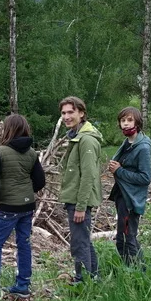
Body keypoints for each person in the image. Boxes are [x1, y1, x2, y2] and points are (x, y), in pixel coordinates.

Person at [0, 113, 46, 301]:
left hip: (8, 207)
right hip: (27, 205)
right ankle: (23, 284)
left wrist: (1, 197)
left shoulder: (1, 152)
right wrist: (26, 191)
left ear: (8, 129)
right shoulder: (32, 153)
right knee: (24, 243)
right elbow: (40, 181)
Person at [58, 96, 104, 283]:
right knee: (83, 239)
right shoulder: (77, 136)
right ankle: (94, 278)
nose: (67, 116)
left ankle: (82, 281)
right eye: (63, 113)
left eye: (71, 112)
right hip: (75, 199)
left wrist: (80, 206)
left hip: (79, 201)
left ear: (81, 113)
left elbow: (88, 175)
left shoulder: (86, 140)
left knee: (79, 243)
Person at [108, 106, 151, 268]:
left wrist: (119, 170)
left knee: (126, 239)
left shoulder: (143, 148)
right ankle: (138, 269)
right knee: (126, 237)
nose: (126, 124)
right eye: (123, 120)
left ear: (137, 123)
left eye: (129, 120)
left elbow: (145, 178)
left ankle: (137, 274)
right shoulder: (127, 144)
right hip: (123, 196)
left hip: (132, 199)